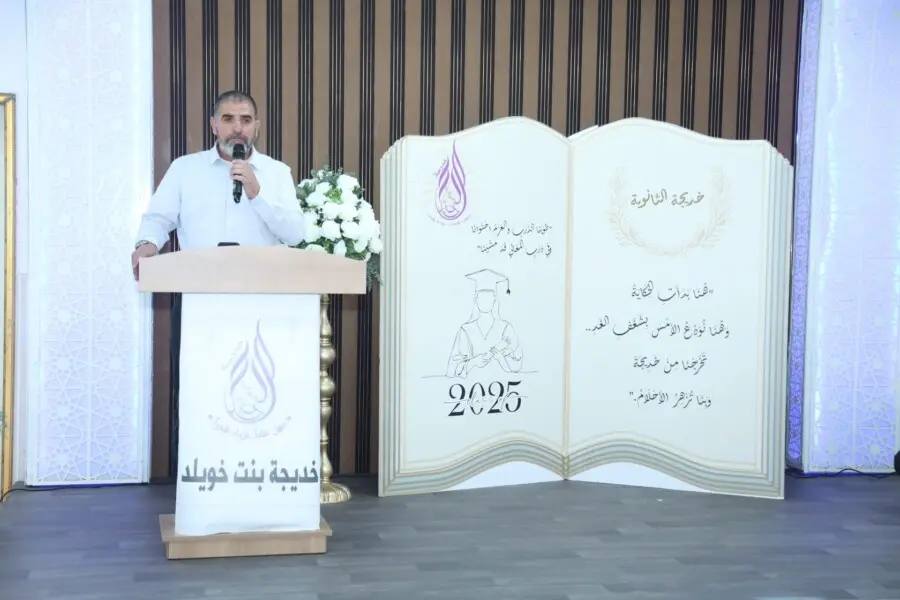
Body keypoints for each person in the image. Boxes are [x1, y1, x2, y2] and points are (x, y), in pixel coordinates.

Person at [131, 90, 304, 280]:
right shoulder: (184, 169)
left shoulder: (277, 172)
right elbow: (157, 220)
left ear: (256, 128)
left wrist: (257, 194)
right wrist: (146, 244)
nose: (237, 128)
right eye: (228, 119)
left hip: (261, 288)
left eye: (246, 120)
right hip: (199, 286)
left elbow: (295, 235)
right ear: (214, 126)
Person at [445, 269, 524, 378]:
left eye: (489, 298)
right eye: (481, 298)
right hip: (471, 385)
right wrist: (472, 363)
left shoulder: (506, 328)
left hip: (501, 383)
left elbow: (517, 364)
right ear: (476, 300)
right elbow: (451, 370)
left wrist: (501, 359)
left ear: (494, 300)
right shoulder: (466, 330)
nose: (485, 302)